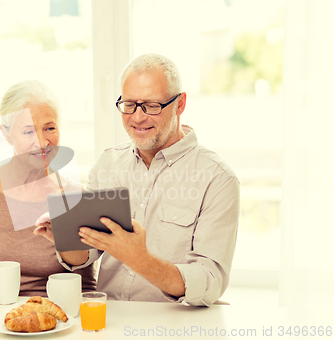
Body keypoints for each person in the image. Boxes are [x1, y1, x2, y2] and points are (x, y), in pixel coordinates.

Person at [35, 54, 239, 306]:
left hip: (177, 327)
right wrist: (64, 239)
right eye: (129, 104)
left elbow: (211, 282)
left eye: (152, 106)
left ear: (180, 104)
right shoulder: (108, 163)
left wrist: (140, 260)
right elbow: (84, 255)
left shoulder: (218, 178)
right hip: (110, 321)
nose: (138, 118)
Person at [0, 80, 96, 299]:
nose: (42, 142)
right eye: (28, 131)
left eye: (49, 128)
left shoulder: (75, 197)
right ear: (6, 134)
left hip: (51, 321)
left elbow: (86, 287)